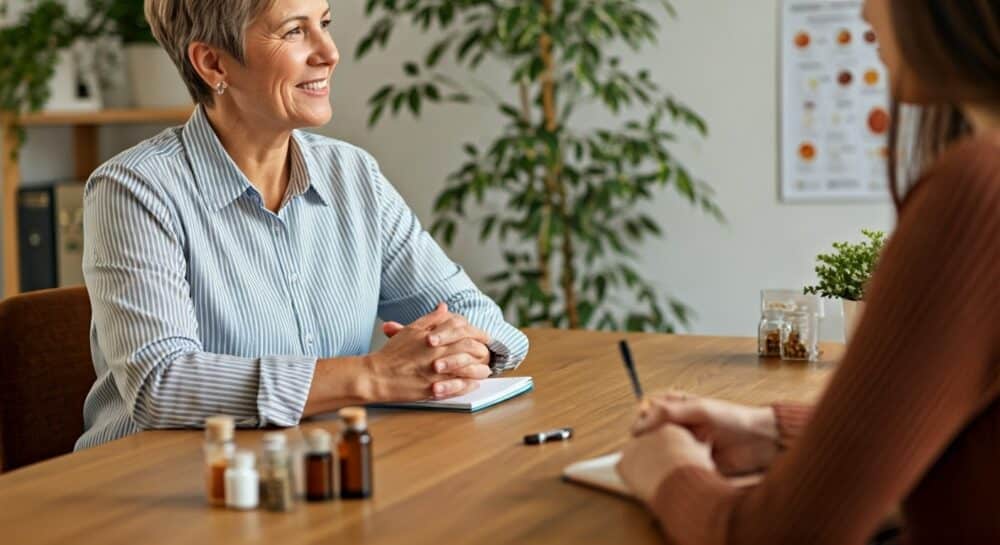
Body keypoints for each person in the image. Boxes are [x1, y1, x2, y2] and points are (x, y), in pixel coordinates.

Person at [616, 1, 1000, 543]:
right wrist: (772, 431)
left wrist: (667, 471)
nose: (864, 10)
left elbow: (775, 536)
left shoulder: (978, 191)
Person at [75, 0, 528, 450]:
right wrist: (372, 375)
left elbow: (473, 312)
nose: (329, 52)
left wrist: (464, 354)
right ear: (213, 62)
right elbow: (162, 383)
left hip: (309, 467)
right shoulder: (134, 190)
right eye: (294, 31)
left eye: (324, 24)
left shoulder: (353, 176)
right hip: (154, 489)